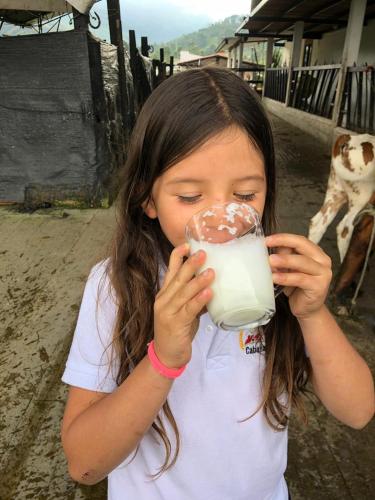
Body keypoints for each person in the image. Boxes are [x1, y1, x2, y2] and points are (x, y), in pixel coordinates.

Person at [61, 67, 374, 499]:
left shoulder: (278, 281)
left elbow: (358, 412)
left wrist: (313, 313)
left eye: (246, 195)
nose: (224, 219)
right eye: (190, 197)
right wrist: (163, 360)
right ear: (147, 198)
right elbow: (84, 463)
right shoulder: (115, 285)